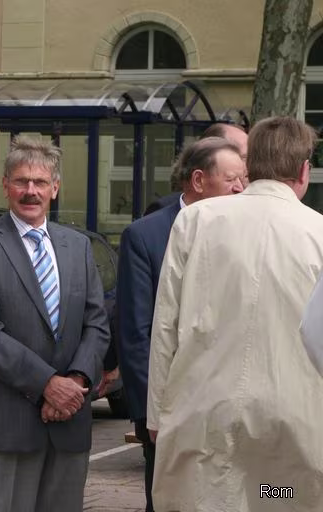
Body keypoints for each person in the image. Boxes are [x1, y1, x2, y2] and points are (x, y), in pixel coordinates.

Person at [147, 117, 323, 511]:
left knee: (210, 501)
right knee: (276, 498)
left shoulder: (195, 220)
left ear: (250, 165)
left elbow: (166, 326)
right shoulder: (318, 232)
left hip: (202, 413)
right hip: (292, 422)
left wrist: (156, 414)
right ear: (303, 170)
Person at [0, 135, 110, 512]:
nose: (31, 191)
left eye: (40, 182)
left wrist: (75, 381)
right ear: (5, 185)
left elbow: (96, 323)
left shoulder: (77, 245)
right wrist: (47, 385)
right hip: (11, 421)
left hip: (70, 418)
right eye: (21, 181)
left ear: (55, 188)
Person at [115, 137, 246, 511]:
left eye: (245, 179)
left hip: (233, 408)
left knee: (262, 493)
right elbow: (136, 333)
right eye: (232, 179)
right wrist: (152, 414)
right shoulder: (146, 235)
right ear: (199, 180)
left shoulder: (246, 231)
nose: (241, 188)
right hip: (171, 414)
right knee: (171, 501)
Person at [144, 122, 248, 215]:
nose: (249, 164)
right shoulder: (164, 213)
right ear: (198, 180)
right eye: (245, 157)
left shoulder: (244, 213)